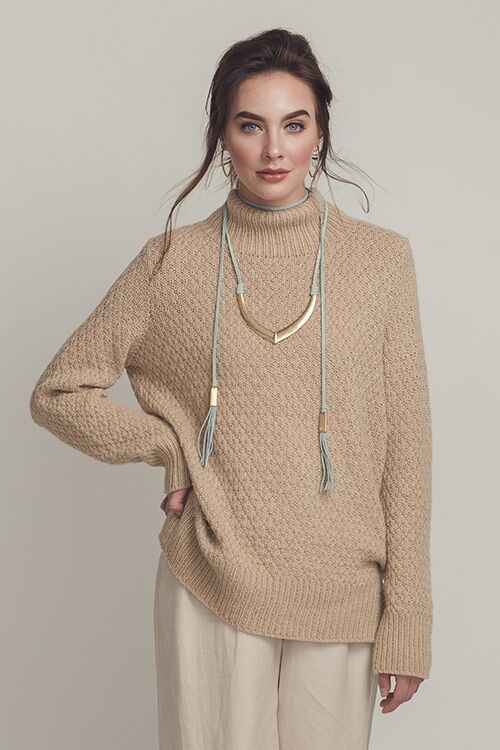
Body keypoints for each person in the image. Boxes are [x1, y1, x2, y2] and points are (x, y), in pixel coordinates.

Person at [29, 27, 433, 750]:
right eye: (251, 126)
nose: (274, 149)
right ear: (223, 136)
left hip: (342, 595)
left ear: (320, 133)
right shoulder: (172, 263)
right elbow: (59, 392)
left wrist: (408, 620)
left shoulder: (381, 264)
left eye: (294, 125)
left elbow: (407, 449)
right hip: (212, 585)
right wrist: (169, 447)